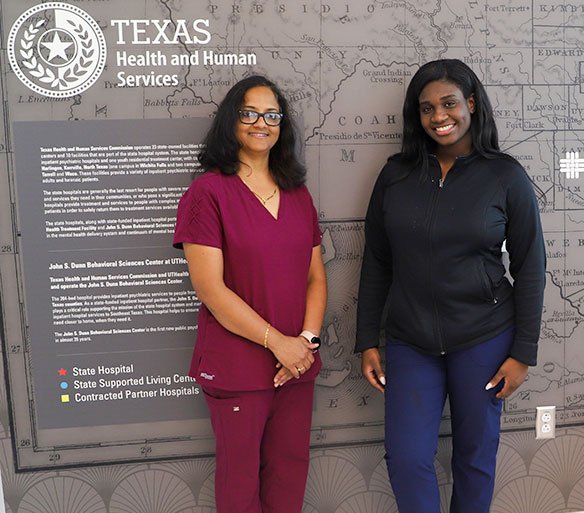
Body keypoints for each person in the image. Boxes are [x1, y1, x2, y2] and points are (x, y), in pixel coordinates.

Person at [356, 59, 546, 513]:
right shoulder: (395, 175)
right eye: (426, 108)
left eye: (449, 103)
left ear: (471, 104)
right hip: (410, 341)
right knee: (407, 459)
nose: (439, 116)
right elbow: (377, 261)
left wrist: (523, 354)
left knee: (475, 459)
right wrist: (366, 340)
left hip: (484, 340)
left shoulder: (505, 176)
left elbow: (531, 266)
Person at [173, 75, 325, 513]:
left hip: (297, 363)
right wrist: (279, 342)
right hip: (238, 366)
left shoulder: (298, 193)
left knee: (290, 468)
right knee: (241, 481)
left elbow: (316, 277)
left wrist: (306, 343)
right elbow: (211, 289)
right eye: (250, 113)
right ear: (231, 121)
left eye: (272, 115)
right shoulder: (208, 193)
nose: (262, 123)